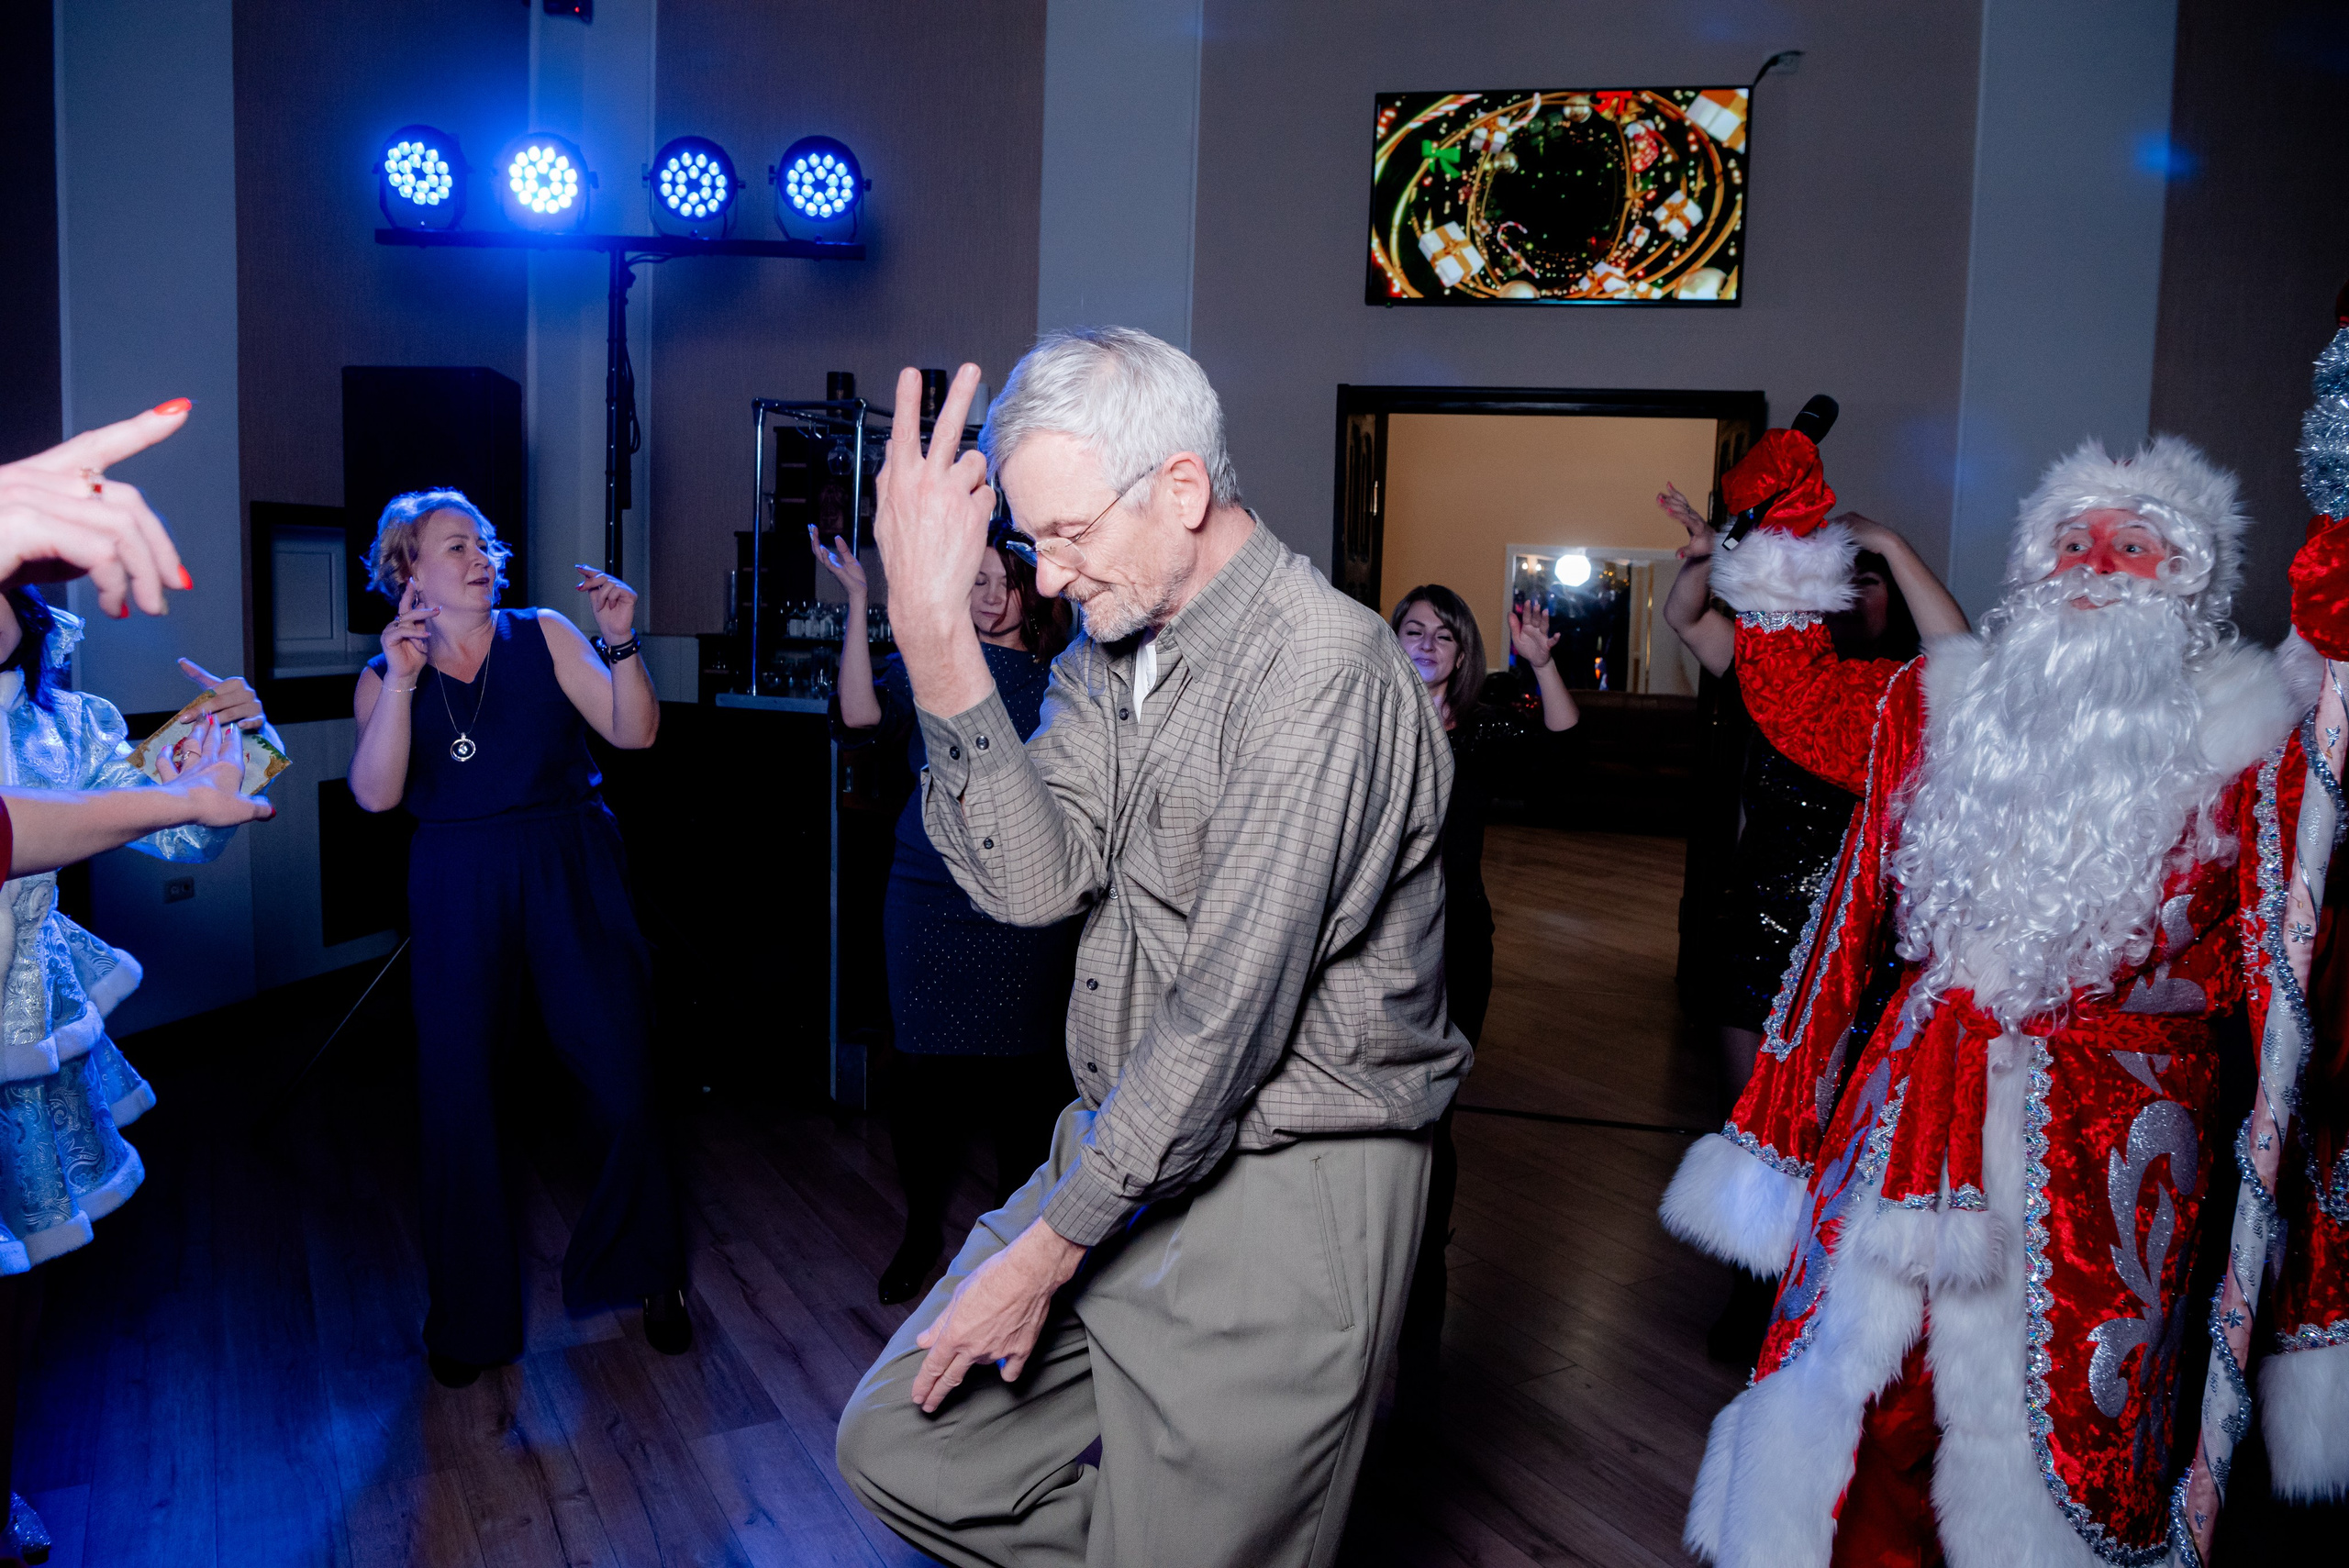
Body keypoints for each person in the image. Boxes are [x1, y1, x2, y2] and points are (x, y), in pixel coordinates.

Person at [1655, 406, 2349, 1565]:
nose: (2094, 565)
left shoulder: (2256, 747)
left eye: (2132, 545)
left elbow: (2304, 961)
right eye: (2071, 542)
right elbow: (1802, 703)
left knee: (2060, 1452)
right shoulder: (1953, 708)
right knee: (1862, 1417)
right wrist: (1780, 538)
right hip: (1907, 1124)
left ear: (2187, 581)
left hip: (2106, 1163)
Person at [833, 329, 1468, 1568]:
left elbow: (1228, 1016)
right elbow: (1029, 883)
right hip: (1130, 1133)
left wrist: (1050, 1249)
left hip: (1292, 1176)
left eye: (1069, 533)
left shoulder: (1324, 670)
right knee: (900, 1440)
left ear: (1181, 488)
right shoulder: (1110, 647)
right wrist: (934, 637)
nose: (1048, 574)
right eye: (1031, 541)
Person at [0, 395, 272, 1565]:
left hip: (25, 1024)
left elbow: (180, 828)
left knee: (23, 1272)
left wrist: (225, 751)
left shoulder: (70, 720)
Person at [349, 491, 684, 1388]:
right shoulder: (384, 675)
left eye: (484, 542)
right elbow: (375, 795)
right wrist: (405, 679)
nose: (481, 557)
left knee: (623, 1070)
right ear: (409, 570)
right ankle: (468, 1319)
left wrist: (620, 639)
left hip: (569, 857)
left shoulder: (544, 633)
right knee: (458, 1095)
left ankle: (652, 1271)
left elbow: (636, 731)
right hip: (457, 875)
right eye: (456, 546)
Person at [812, 518, 1080, 1306]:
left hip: (1025, 897)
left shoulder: (1063, 679)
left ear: (1033, 592)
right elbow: (859, 716)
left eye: (1007, 583)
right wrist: (860, 600)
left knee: (1023, 1083)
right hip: (927, 892)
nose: (991, 597)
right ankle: (921, 1230)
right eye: (977, 581)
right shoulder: (930, 665)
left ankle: (1012, 1248)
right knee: (922, 1075)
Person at [1659, 483, 1968, 1101]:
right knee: (1746, 1118)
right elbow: (1684, 618)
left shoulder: (1913, 695)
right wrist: (1706, 557)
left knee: (1843, 1123)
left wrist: (1888, 542)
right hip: (1758, 922)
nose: (1849, 593)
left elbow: (1962, 657)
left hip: (1867, 934)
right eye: (1836, 580)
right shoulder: (1770, 671)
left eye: (1867, 583)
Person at [1387, 583, 1577, 1420]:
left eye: (1444, 634)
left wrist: (1541, 666)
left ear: (1463, 653)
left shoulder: (1481, 730)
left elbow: (1563, 762)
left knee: (1435, 1119)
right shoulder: (1368, 722)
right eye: (1413, 628)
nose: (1427, 642)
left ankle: (1421, 1321)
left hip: (1457, 947)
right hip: (1371, 952)